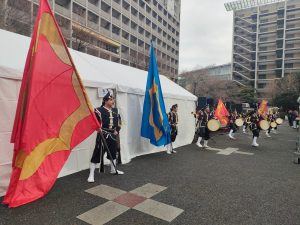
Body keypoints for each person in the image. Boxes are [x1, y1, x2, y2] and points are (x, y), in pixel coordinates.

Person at [87, 91, 124, 183]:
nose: (113, 101)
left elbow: (120, 122)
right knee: (97, 154)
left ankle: (113, 169)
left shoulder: (116, 111)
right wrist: (97, 128)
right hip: (102, 135)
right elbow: (92, 122)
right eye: (111, 100)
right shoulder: (98, 110)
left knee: (113, 152)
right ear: (105, 101)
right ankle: (91, 175)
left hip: (113, 135)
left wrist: (117, 130)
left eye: (113, 99)